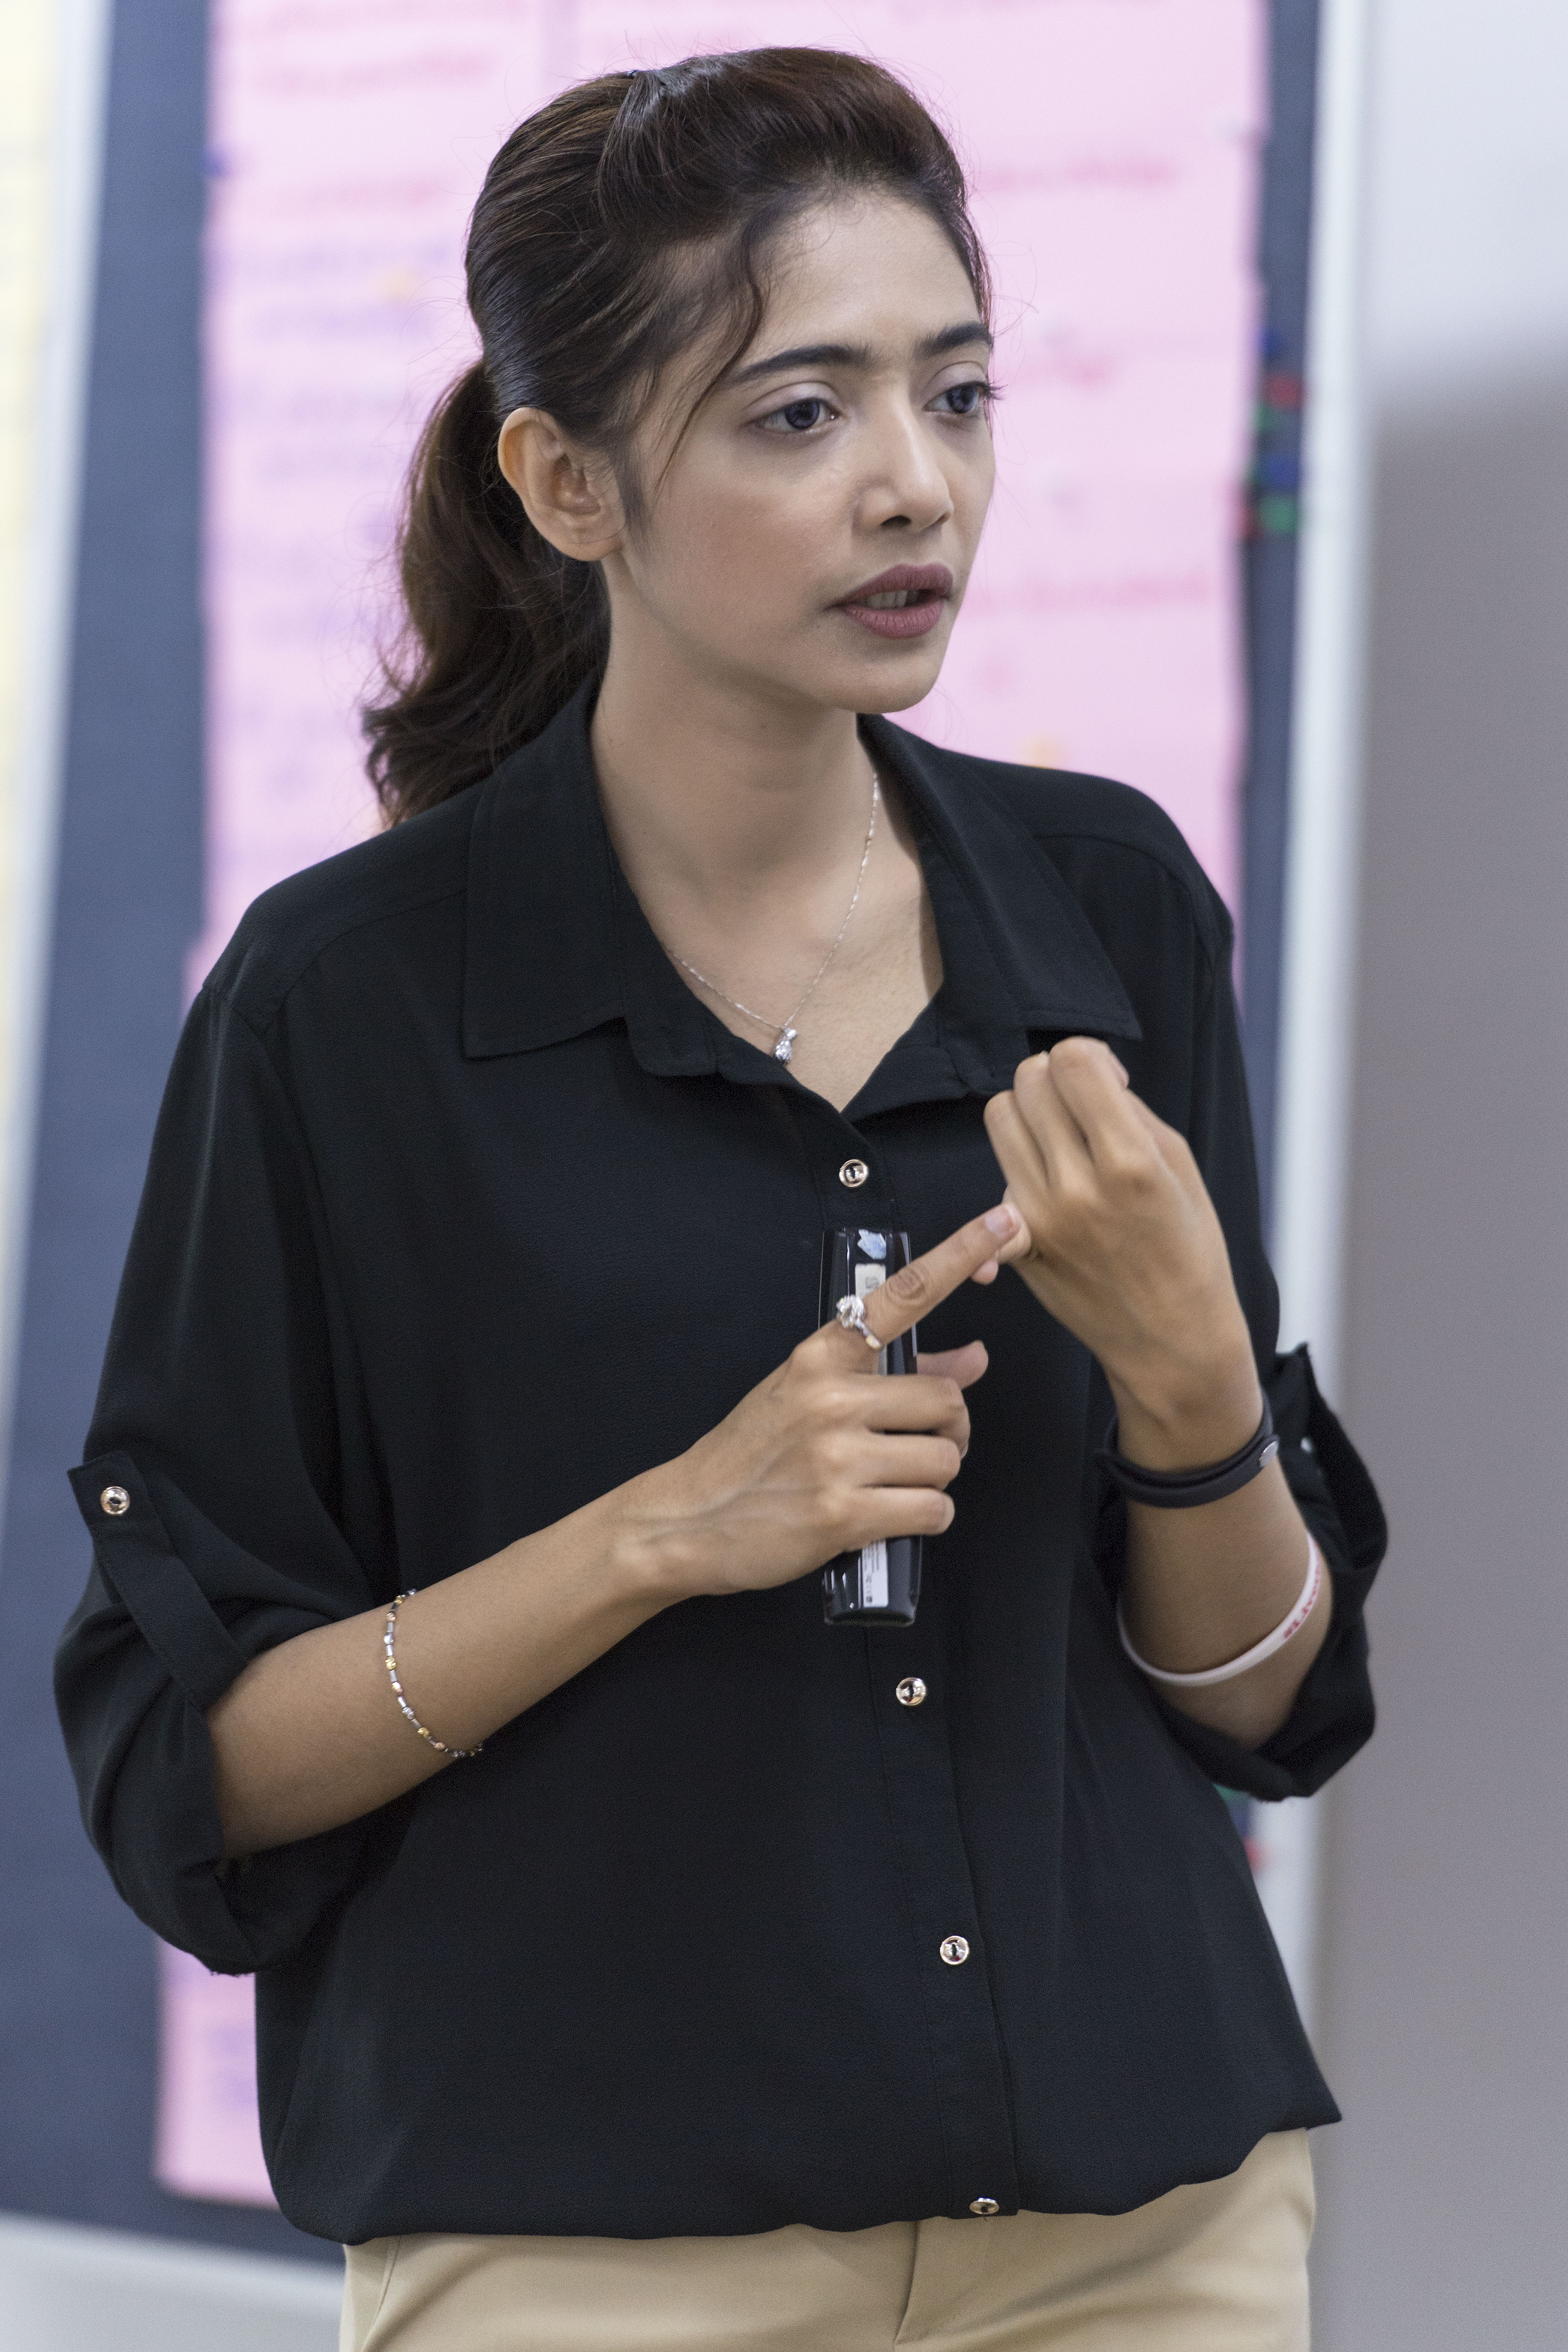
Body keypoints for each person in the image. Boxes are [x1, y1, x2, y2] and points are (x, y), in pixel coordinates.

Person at [55, 47, 1384, 2352]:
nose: (914, 483)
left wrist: (1196, 1399)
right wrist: (664, 1533)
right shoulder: (342, 1008)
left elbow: (1265, 1704)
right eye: (799, 413)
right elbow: (199, 1766)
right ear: (566, 481)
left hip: (1142, 2237)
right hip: (587, 2254)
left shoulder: (1110, 914)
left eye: (956, 394)